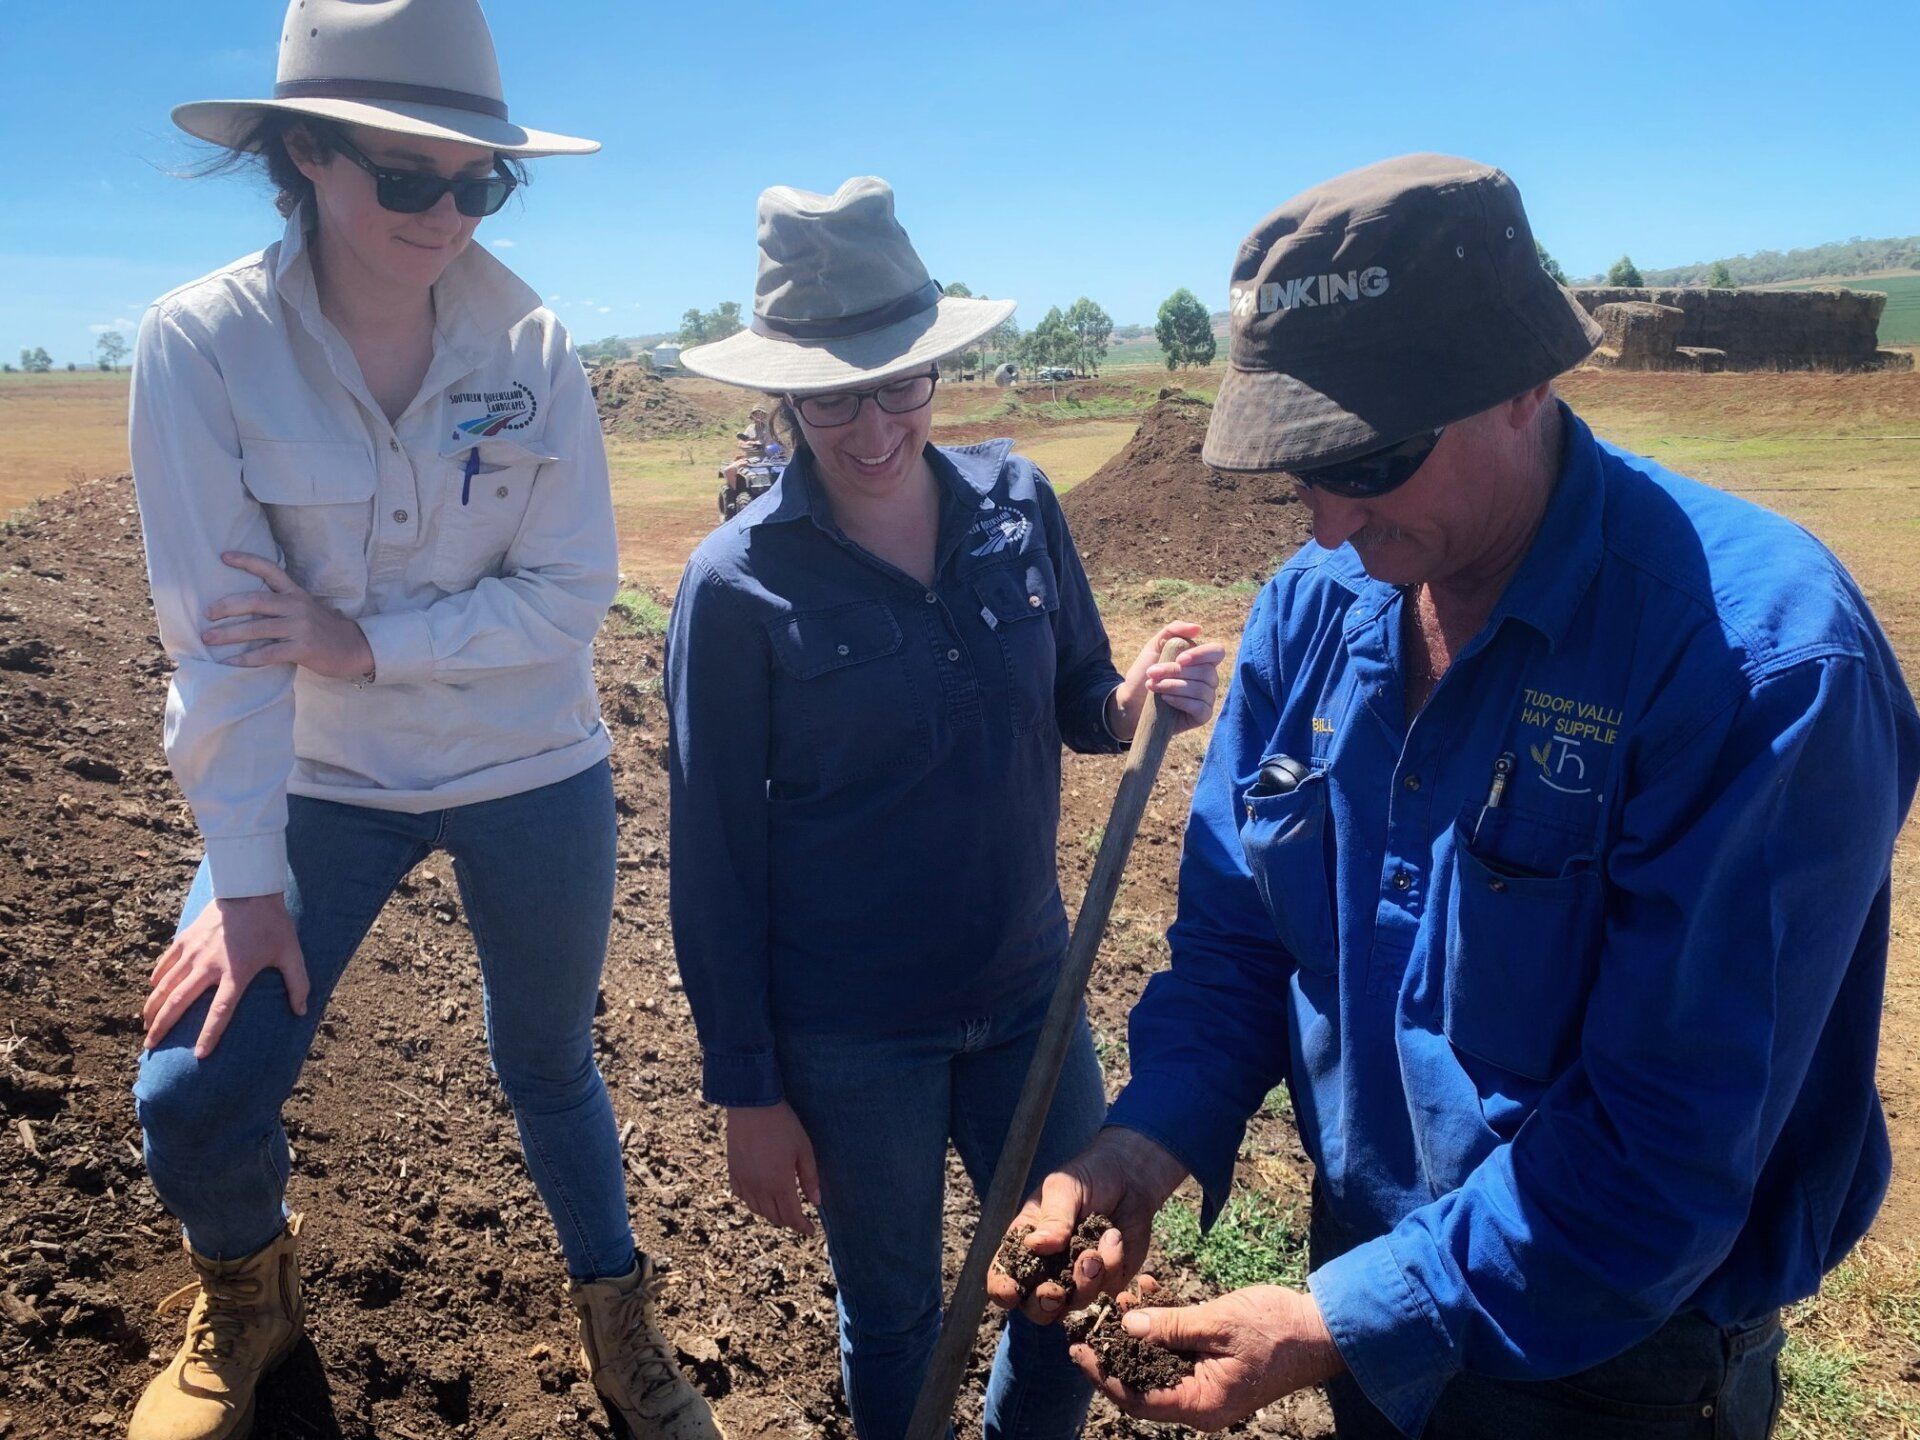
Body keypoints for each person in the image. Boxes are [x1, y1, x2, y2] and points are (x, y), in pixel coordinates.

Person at [990, 153, 1920, 1439]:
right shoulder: (1313, 612)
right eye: (1299, 471)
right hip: (1374, 1299)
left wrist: (1336, 1325)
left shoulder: (1756, 660)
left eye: (1366, 459)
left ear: (1525, 376)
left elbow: (1664, 1147)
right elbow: (1239, 941)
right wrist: (1147, 1144)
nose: (1325, 524)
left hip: (1615, 1363)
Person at [126, 4, 723, 1438]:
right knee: (192, 1092)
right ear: (305, 154)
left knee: (548, 1062)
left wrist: (359, 639)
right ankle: (247, 1298)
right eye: (410, 176)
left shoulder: (537, 346)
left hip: (534, 769)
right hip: (321, 778)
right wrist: (248, 883)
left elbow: (572, 595)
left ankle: (618, 1326)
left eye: (482, 180)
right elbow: (221, 648)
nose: (447, 211)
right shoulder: (201, 347)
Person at [664, 176, 1224, 1440]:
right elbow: (712, 859)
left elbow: (1081, 696)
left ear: (938, 367)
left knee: (1068, 1277)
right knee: (899, 1313)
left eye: (898, 382)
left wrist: (1136, 702)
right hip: (855, 1036)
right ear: (784, 399)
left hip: (1030, 991)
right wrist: (748, 1092)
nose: (870, 427)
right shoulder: (735, 586)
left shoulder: (1018, 506)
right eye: (829, 396)